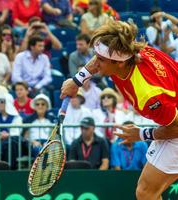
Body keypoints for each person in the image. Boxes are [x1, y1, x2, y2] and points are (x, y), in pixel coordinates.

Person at [60, 19, 178, 199]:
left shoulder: (148, 95)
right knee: (148, 191)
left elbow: (176, 128)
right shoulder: (130, 50)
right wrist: (78, 80)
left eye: (101, 60)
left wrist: (141, 134)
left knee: (146, 192)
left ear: (119, 62)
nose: (96, 63)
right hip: (171, 111)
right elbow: (101, 54)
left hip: (174, 123)